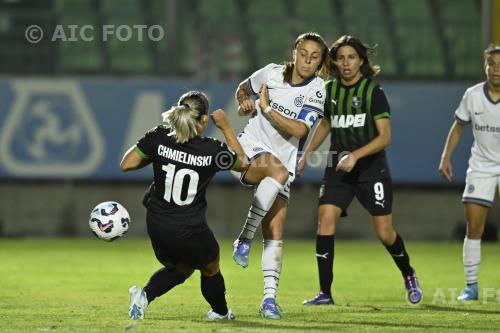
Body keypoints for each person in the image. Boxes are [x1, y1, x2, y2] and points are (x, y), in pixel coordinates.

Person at [297, 35, 423, 306]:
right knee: (325, 219)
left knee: (384, 232)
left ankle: (408, 273)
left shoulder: (372, 92)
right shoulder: (330, 91)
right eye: (340, 57)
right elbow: (325, 124)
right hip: (337, 167)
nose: (346, 63)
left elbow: (385, 137)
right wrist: (306, 153)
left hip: (371, 169)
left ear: (361, 61)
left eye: (351, 57)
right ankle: (325, 293)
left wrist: (356, 155)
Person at [120, 91, 248, 321]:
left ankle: (144, 296)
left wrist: (159, 154)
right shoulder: (212, 150)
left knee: (183, 268)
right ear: (205, 120)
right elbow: (243, 163)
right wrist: (227, 128)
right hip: (187, 226)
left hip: (157, 223)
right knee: (211, 264)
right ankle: (220, 312)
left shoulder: (159, 137)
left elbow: (127, 164)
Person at [231, 32, 330, 319]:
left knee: (274, 232)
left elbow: (300, 131)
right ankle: (244, 238)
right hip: (251, 147)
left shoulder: (317, 89)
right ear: (295, 51)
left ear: (321, 62)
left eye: (315, 57)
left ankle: (269, 300)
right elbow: (242, 89)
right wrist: (244, 103)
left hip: (283, 162)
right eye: (303, 53)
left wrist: (265, 107)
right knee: (275, 168)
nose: (307, 61)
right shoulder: (271, 73)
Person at [438, 45, 500, 301]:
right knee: (474, 227)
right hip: (481, 166)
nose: (497, 70)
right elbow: (458, 126)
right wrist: (446, 157)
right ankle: (471, 287)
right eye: (492, 64)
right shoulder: (472, 95)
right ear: (485, 66)